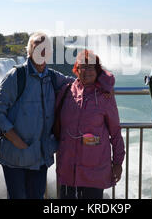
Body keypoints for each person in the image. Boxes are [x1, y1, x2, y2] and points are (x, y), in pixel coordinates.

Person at [0, 32, 74, 199]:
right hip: (16, 156)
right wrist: (14, 138)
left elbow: (79, 84)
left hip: (40, 156)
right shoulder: (16, 76)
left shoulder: (53, 77)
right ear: (29, 51)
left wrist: (103, 84)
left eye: (45, 48)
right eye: (37, 47)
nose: (42, 52)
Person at [55, 49, 125, 199]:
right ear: (76, 69)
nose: (87, 71)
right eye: (83, 67)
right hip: (68, 167)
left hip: (94, 170)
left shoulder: (104, 95)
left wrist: (118, 162)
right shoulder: (67, 91)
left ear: (97, 70)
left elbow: (115, 131)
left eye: (91, 67)